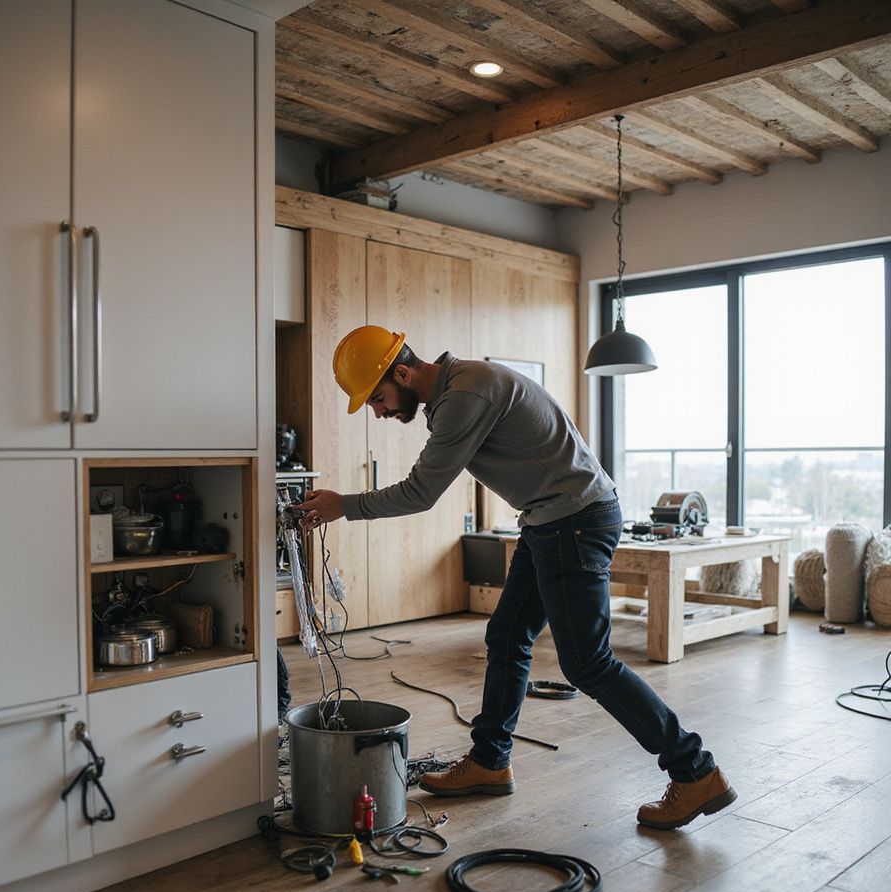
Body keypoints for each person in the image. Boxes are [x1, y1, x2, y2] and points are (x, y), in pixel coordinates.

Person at [295, 324, 737, 830]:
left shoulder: (465, 395)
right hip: (550, 521)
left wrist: (342, 506)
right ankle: (489, 761)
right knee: (506, 635)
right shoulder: (459, 388)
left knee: (588, 664)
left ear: (402, 372)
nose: (377, 411)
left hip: (571, 522)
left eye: (377, 398)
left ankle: (695, 770)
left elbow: (420, 492)